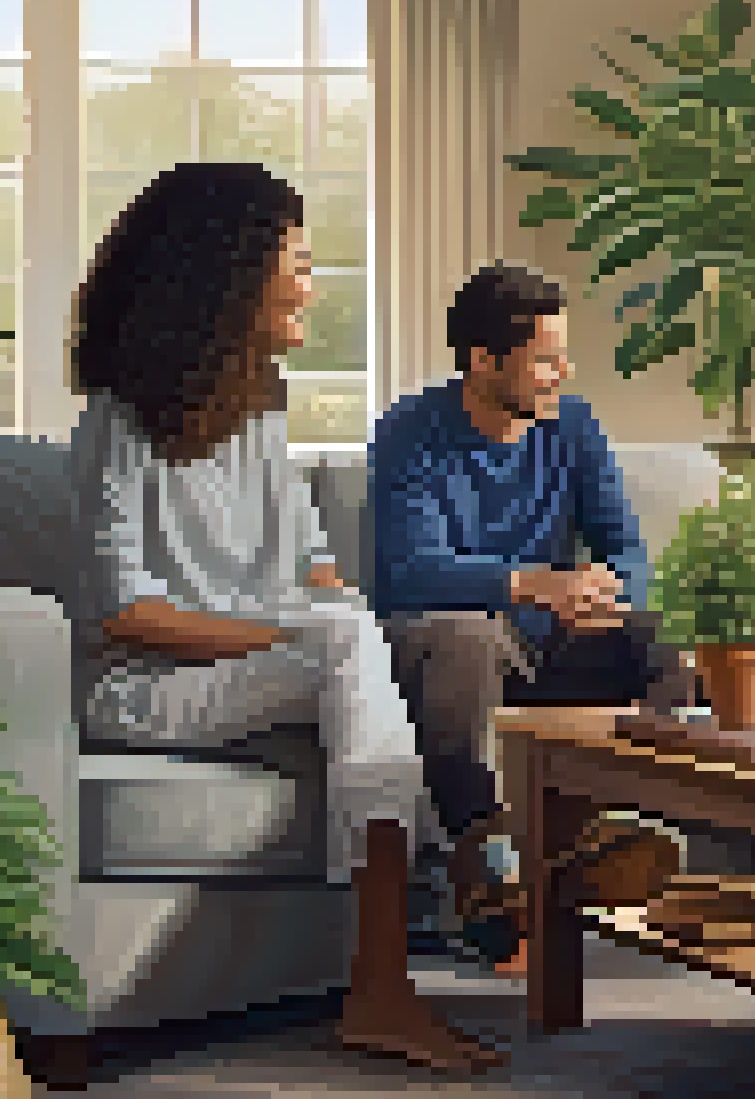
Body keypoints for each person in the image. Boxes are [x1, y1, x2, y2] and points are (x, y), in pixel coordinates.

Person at [70, 162, 502, 1072]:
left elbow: (309, 555)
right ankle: (437, 913)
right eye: (298, 260)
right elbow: (123, 612)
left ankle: (445, 900)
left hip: (260, 671)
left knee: (365, 636)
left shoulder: (263, 400)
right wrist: (308, 630)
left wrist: (329, 602)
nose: (313, 281)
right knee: (349, 642)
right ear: (229, 274)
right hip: (143, 692)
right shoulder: (118, 419)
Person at [369, 263, 690, 958]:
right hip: (462, 644)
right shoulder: (410, 432)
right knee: (464, 637)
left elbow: (627, 547)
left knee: (663, 636)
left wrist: (605, 589)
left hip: (559, 641)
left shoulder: (572, 427)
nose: (562, 371)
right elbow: (409, 570)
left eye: (561, 356)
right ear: (483, 361)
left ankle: (613, 831)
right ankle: (487, 863)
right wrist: (530, 584)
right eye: (545, 358)